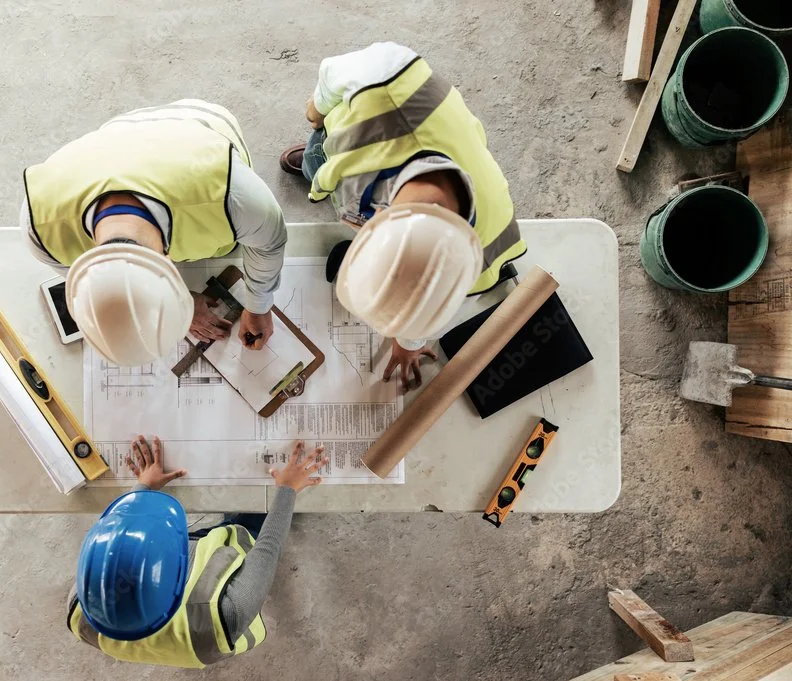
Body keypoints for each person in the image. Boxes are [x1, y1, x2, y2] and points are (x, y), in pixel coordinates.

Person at [280, 42, 528, 393]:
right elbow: (331, 77)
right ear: (375, 222)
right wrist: (318, 112)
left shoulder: (477, 256)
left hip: (356, 176)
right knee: (316, 161)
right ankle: (315, 160)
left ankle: (319, 169)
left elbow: (431, 298)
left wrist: (407, 341)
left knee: (325, 173)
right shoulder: (383, 77)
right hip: (356, 132)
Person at [21, 99, 288, 366]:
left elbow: (268, 244)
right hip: (110, 142)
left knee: (229, 245)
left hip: (200, 124)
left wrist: (258, 305)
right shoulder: (40, 228)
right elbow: (101, 290)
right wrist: (185, 304)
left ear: (170, 257)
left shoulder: (236, 197)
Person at [66, 435, 328, 668]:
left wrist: (143, 488)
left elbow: (119, 540)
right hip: (205, 640)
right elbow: (268, 550)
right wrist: (287, 490)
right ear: (181, 570)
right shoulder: (227, 614)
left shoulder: (80, 607)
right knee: (251, 521)